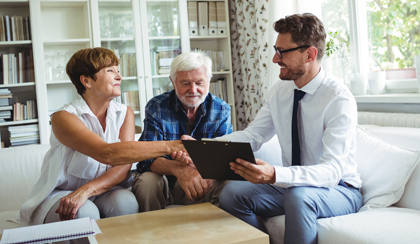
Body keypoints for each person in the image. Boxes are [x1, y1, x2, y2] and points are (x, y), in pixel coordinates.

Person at [216, 13, 363, 244]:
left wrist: (276, 174)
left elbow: (332, 171)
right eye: (276, 50)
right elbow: (253, 135)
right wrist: (204, 146)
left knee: (298, 196)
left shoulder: (338, 98)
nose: (275, 59)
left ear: (310, 54)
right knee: (232, 194)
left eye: (282, 52)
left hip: (340, 190)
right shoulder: (280, 91)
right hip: (293, 185)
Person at [20, 47, 186, 226]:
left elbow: (122, 166)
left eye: (118, 70)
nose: (119, 77)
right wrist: (174, 146)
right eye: (110, 71)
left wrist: (86, 190)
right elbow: (106, 153)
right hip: (63, 192)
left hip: (105, 189)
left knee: (127, 203)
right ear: (86, 81)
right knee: (84, 213)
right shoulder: (63, 117)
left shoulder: (124, 113)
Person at [131, 51, 233, 212]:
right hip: (166, 184)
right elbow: (146, 159)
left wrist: (199, 163)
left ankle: (217, 234)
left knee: (230, 184)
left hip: (204, 180)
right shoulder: (157, 107)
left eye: (199, 83)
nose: (193, 90)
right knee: (147, 181)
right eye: (185, 83)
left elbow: (225, 158)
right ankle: (152, 233)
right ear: (173, 81)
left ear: (209, 80)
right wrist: (178, 169)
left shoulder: (221, 109)